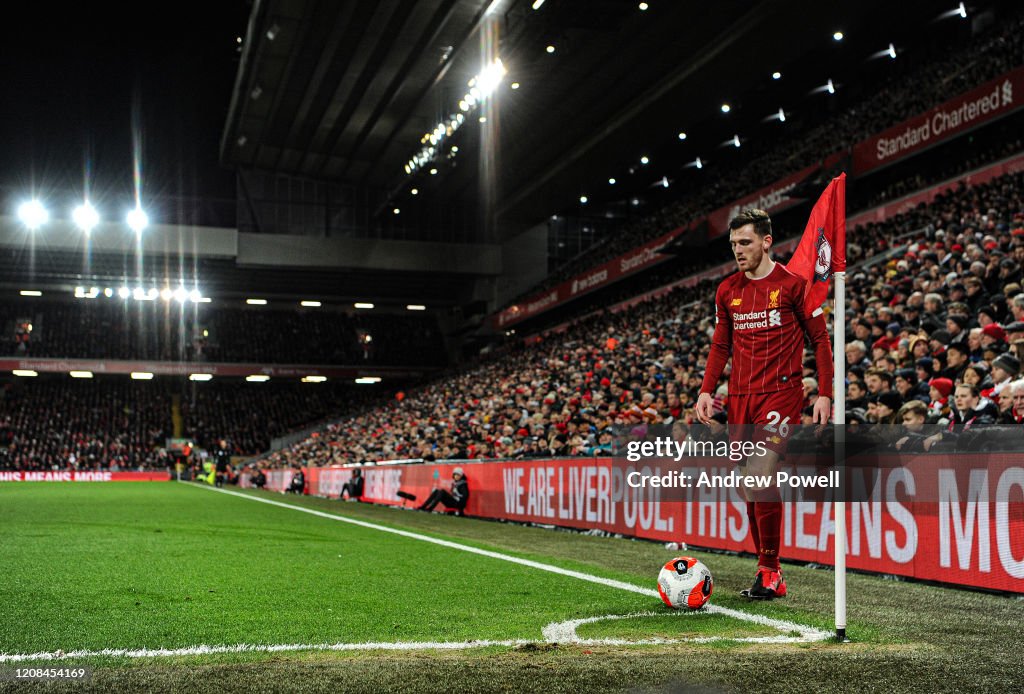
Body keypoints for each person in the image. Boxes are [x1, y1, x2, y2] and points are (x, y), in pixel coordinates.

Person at [696, 208, 833, 600]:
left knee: (760, 475)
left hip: (782, 393)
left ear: (766, 241)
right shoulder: (727, 291)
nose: (738, 250)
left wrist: (824, 393)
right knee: (748, 486)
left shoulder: (794, 284)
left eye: (745, 242)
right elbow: (721, 344)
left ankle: (769, 571)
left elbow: (820, 341)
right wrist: (707, 390)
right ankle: (769, 569)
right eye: (733, 244)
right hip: (740, 398)